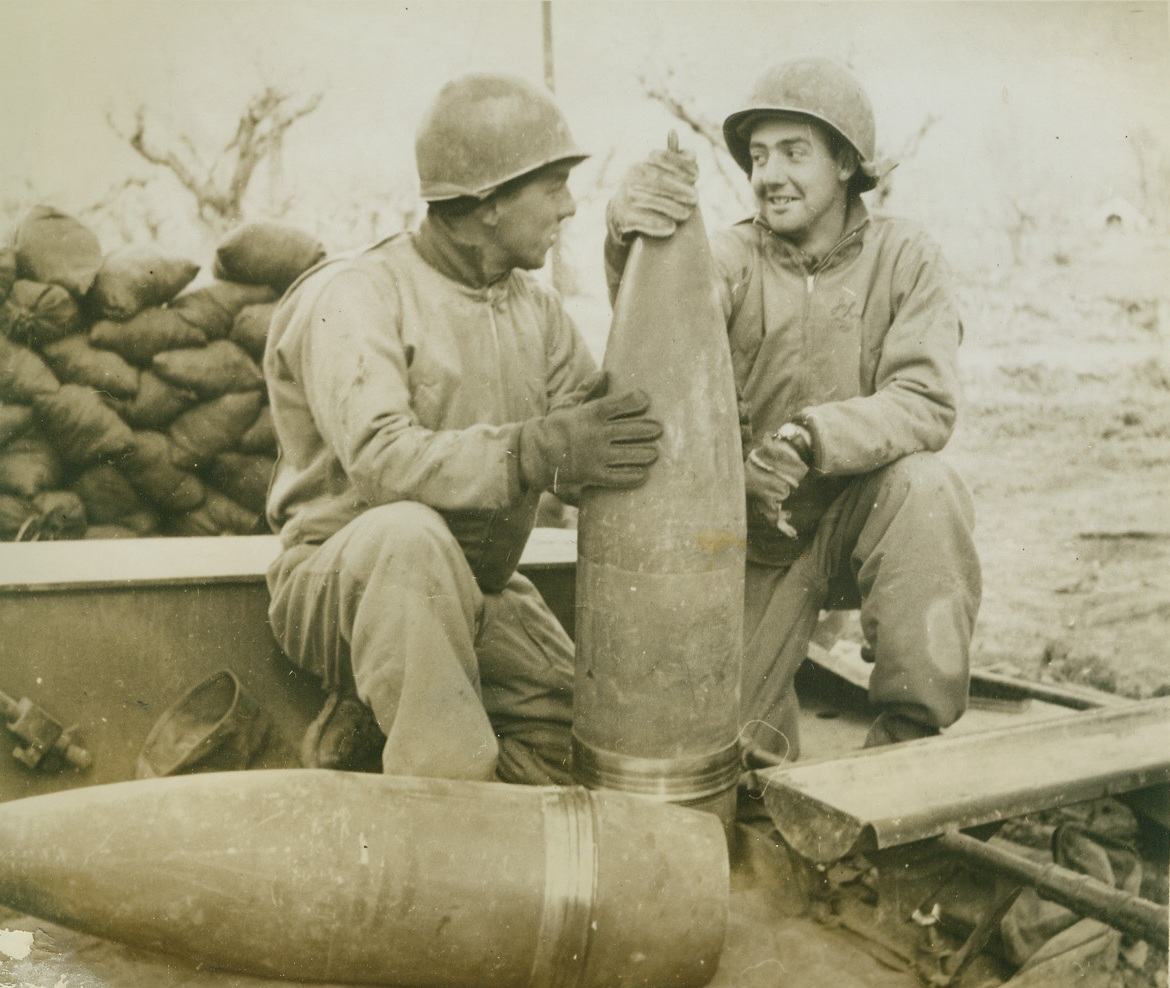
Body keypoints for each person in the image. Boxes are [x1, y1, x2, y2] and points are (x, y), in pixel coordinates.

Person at [263, 72, 662, 785]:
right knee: (410, 537)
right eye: (553, 187)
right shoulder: (356, 295)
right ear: (488, 202)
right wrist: (533, 448)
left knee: (590, 745)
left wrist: (688, 430)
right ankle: (438, 803)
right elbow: (380, 461)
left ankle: (379, 758)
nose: (569, 207)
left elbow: (590, 437)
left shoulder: (532, 310)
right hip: (346, 582)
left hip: (476, 590)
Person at [604, 57, 981, 758]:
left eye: (793, 152)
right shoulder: (730, 259)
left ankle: (909, 746)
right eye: (757, 155)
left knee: (927, 487)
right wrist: (627, 241)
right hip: (747, 536)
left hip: (861, 519)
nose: (768, 174)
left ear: (845, 163)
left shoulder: (907, 258)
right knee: (724, 752)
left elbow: (925, 402)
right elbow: (659, 335)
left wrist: (813, 436)